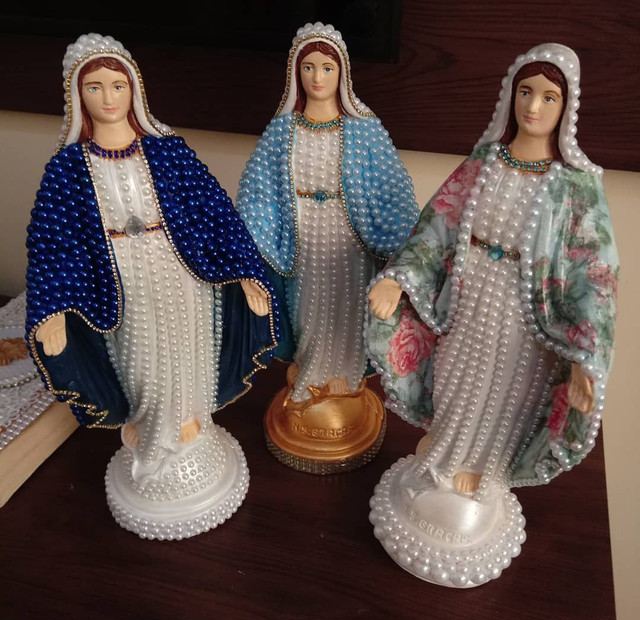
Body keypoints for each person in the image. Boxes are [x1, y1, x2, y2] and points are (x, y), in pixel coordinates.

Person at [367, 43, 618, 586]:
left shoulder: (576, 187)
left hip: (527, 318)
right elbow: (436, 225)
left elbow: (593, 277)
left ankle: (481, 474)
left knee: (505, 392)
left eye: (548, 97)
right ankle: (442, 457)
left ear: (567, 107)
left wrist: (586, 356)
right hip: (469, 297)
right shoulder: (483, 163)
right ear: (509, 96)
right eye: (526, 92)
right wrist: (398, 277)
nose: (534, 106)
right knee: (456, 379)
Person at [25, 33, 279, 539]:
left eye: (117, 85)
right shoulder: (67, 170)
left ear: (134, 89)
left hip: (181, 272)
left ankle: (189, 421)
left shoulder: (168, 152)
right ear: (77, 96)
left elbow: (215, 213)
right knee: (140, 354)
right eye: (95, 87)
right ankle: (148, 427)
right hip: (121, 283)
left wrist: (246, 271)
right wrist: (53, 308)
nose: (108, 97)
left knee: (187, 347)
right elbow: (54, 243)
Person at [236, 22, 419, 472]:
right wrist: (253, 237)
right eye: (309, 67)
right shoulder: (282, 131)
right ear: (295, 73)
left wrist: (401, 252)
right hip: (302, 244)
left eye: (327, 67)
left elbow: (392, 190)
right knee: (308, 310)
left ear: (343, 73)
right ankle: (309, 375)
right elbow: (258, 193)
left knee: (348, 310)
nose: (318, 77)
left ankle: (346, 382)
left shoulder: (364, 129)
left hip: (351, 242)